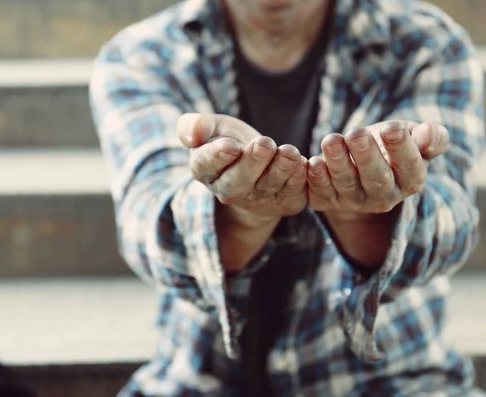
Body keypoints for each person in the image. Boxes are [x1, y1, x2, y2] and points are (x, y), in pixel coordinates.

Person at [90, 0, 486, 395]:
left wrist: (365, 214)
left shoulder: (426, 42)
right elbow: (148, 228)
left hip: (396, 378)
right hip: (198, 377)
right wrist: (241, 216)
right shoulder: (141, 57)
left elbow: (450, 226)